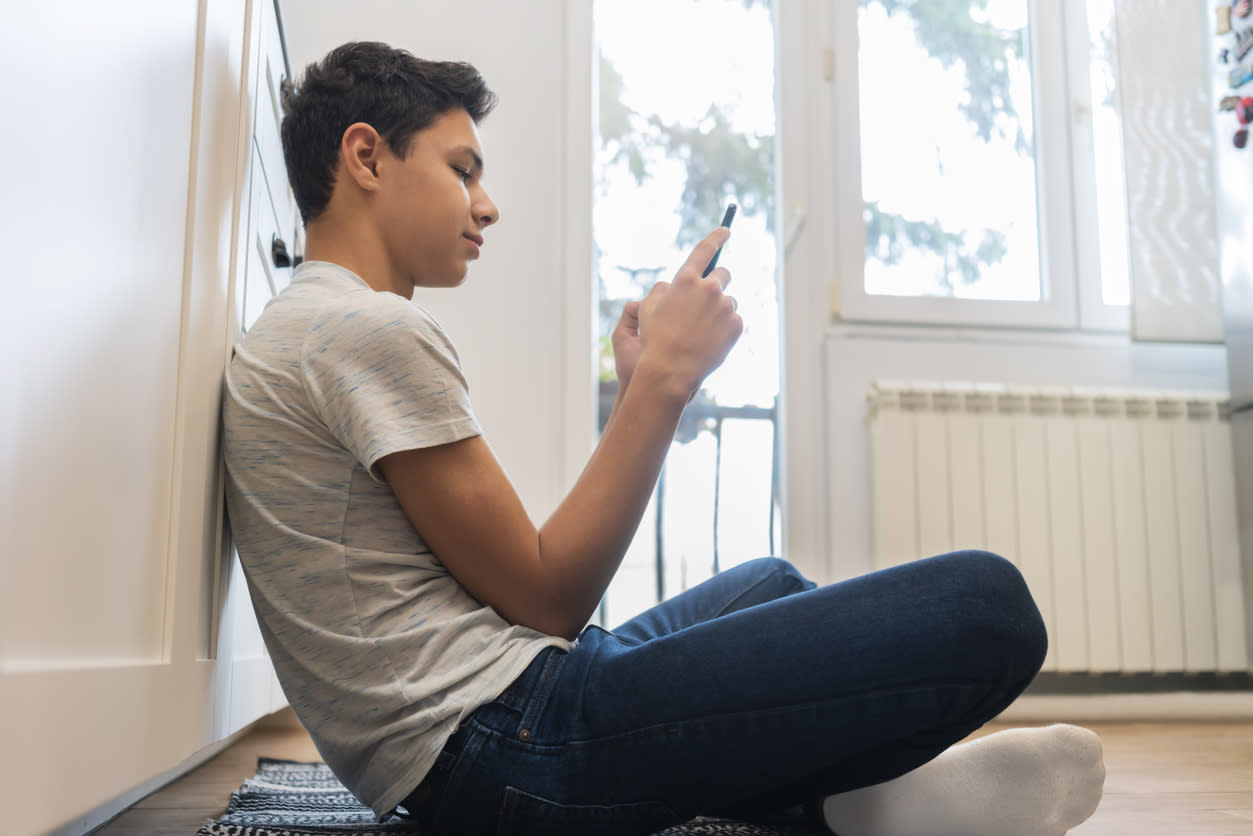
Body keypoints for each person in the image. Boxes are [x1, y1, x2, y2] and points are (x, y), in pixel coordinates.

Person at [222, 40, 1106, 836]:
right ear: (367, 155)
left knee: (769, 583)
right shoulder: (369, 332)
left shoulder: (307, 328)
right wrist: (664, 381)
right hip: (495, 748)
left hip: (483, 725)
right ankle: (859, 808)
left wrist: (646, 386)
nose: (485, 206)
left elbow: (502, 595)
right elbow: (546, 597)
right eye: (463, 170)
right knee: (987, 604)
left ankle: (854, 806)